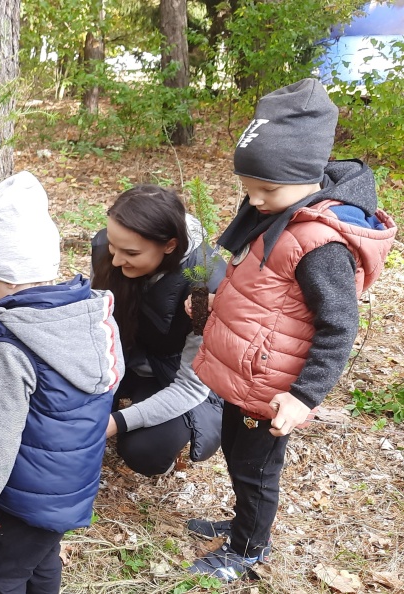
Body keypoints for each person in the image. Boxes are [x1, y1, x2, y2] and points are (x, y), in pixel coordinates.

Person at [187, 78, 397, 582]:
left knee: (257, 470)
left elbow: (339, 326)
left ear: (306, 176)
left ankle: (248, 549)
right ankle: (244, 523)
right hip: (250, 374)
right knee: (239, 457)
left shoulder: (321, 245)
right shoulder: (276, 210)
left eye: (266, 189)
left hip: (275, 386)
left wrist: (303, 396)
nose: (254, 200)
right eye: (247, 188)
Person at [0, 171, 124, 594]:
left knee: (2, 574)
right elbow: (111, 378)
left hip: (22, 494)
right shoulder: (92, 316)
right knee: (43, 559)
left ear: (8, 278)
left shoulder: (13, 343)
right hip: (69, 486)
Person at [90, 185, 227, 476]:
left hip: (171, 373)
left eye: (130, 252)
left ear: (169, 245)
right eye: (113, 246)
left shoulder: (204, 288)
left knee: (145, 451)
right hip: (123, 359)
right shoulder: (108, 246)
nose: (115, 260)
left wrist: (118, 422)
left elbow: (192, 385)